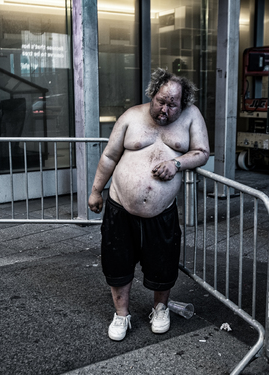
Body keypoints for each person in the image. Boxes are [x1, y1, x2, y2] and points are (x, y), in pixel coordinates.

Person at [88, 68, 210, 341]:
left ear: (184, 104)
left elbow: (202, 152)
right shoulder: (132, 116)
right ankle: (121, 315)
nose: (165, 109)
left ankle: (161, 308)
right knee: (117, 262)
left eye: (172, 104)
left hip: (161, 212)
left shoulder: (192, 117)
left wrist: (177, 164)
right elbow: (109, 156)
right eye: (161, 101)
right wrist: (96, 191)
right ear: (152, 94)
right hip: (120, 207)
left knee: (162, 265)